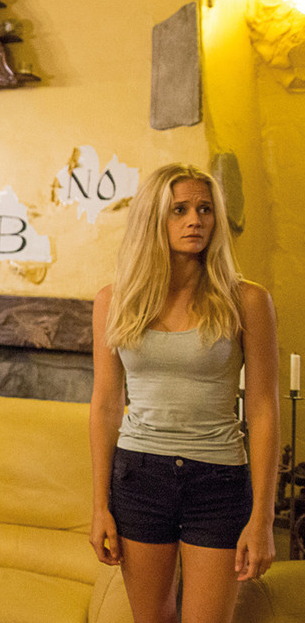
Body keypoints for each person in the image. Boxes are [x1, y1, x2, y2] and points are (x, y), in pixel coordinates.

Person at [89, 163, 279, 623]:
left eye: (205, 209)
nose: (195, 220)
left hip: (218, 481)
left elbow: (263, 409)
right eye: (180, 210)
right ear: (154, 218)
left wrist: (263, 518)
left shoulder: (247, 300)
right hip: (139, 478)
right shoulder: (114, 301)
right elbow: (106, 405)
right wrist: (99, 507)